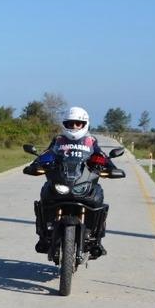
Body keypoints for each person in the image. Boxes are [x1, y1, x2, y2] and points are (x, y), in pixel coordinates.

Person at [31, 106, 115, 259]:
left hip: (83, 182)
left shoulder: (91, 141)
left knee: (98, 197)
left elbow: (102, 156)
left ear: (85, 124)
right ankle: (43, 234)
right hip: (61, 180)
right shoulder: (58, 141)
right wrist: (35, 165)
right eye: (70, 123)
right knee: (45, 193)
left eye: (78, 123)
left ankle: (97, 239)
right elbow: (47, 154)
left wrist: (112, 168)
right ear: (65, 124)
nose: (74, 127)